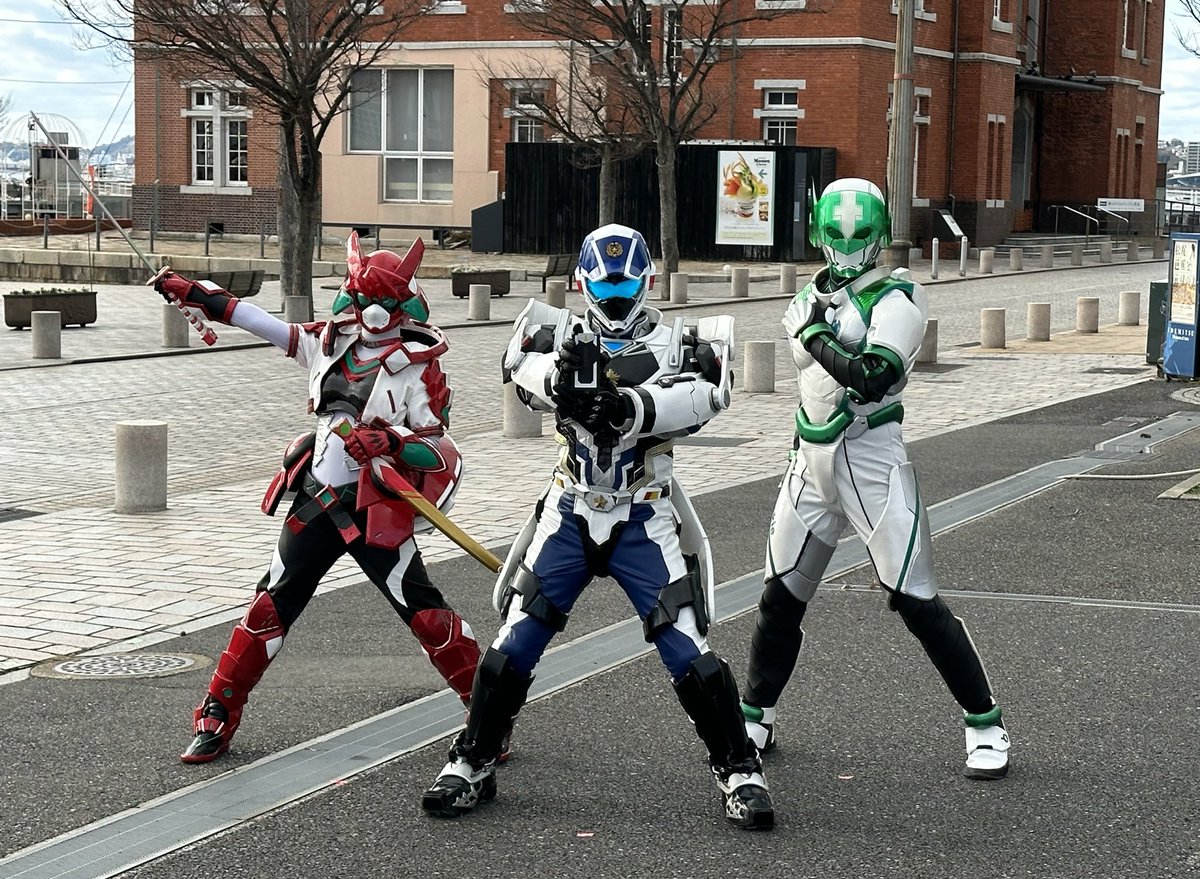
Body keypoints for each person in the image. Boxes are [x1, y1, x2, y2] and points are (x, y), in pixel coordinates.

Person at [420, 223, 774, 829]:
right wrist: (558, 381)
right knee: (513, 644)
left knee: (687, 648)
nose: (614, 297)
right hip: (571, 510)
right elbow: (518, 368)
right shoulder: (556, 333)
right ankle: (472, 760)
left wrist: (630, 405)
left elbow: (707, 396)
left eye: (625, 285)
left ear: (647, 282)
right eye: (604, 285)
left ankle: (740, 769)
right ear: (583, 283)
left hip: (644, 512)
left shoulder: (681, 342)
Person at [151, 234, 482, 764]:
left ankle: (487, 716)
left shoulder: (420, 365)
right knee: (269, 606)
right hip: (317, 498)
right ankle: (217, 711)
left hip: (375, 507)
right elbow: (261, 322)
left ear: (407, 303)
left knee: (424, 612)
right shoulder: (328, 344)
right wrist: (197, 293)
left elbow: (439, 448)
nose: (374, 312)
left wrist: (392, 442)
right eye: (366, 298)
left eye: (386, 301)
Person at [740, 178, 1010, 780]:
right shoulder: (813, 294)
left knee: (915, 600)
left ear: (880, 234)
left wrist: (814, 335)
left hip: (871, 459)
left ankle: (985, 722)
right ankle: (756, 714)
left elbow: (872, 378)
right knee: (780, 595)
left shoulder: (897, 300)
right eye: (835, 235)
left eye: (858, 235)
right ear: (818, 234)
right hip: (810, 458)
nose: (846, 247)